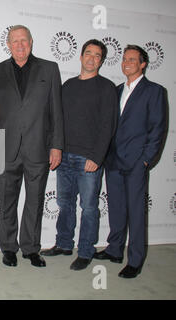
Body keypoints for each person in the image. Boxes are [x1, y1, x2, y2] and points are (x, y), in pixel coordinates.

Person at [0, 25, 64, 268]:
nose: (19, 45)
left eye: (24, 40)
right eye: (14, 41)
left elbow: (56, 110)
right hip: (7, 146)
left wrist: (57, 146)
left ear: (31, 42)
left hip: (38, 146)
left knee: (35, 200)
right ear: (8, 44)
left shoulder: (49, 69)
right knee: (6, 200)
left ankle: (31, 248)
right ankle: (8, 247)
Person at [41, 39, 118, 271]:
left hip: (89, 159)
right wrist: (55, 148)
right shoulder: (68, 86)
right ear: (81, 56)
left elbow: (108, 126)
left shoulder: (106, 87)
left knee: (89, 206)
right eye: (88, 53)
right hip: (64, 156)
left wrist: (97, 157)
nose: (91, 58)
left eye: (96, 55)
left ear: (101, 61)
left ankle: (85, 251)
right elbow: (57, 120)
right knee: (65, 204)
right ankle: (64, 244)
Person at [94, 45, 166, 279]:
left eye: (132, 60)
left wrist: (146, 160)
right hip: (113, 161)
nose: (126, 63)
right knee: (116, 210)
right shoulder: (116, 90)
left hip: (136, 162)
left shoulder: (154, 91)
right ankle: (115, 249)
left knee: (136, 213)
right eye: (124, 59)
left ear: (143, 64)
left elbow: (157, 129)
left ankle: (135, 260)